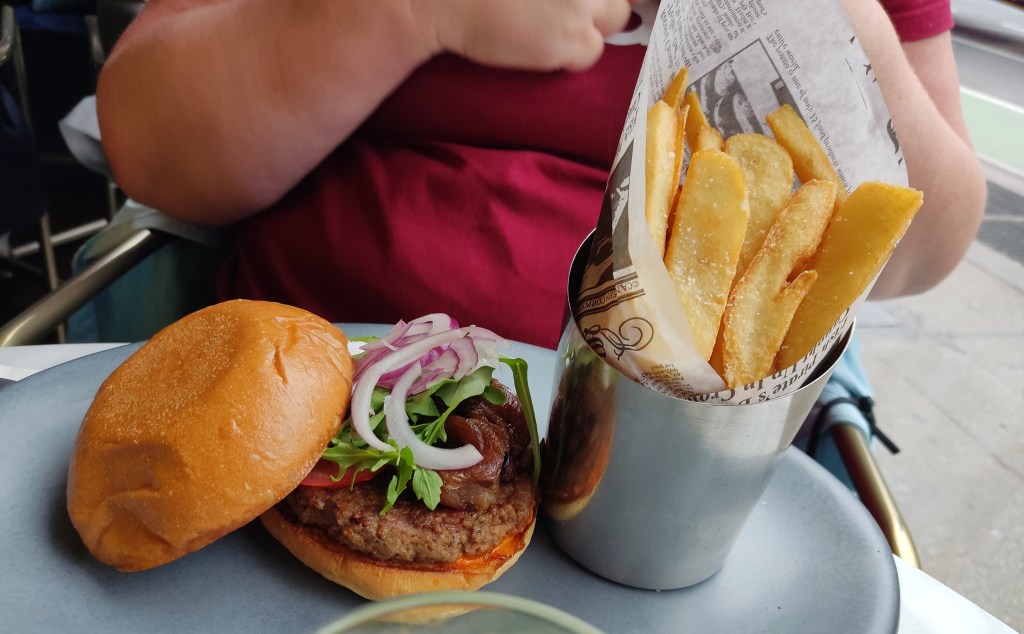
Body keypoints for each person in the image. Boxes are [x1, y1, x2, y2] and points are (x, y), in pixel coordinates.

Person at [94, 0, 986, 350]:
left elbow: (926, 247)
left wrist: (835, 29)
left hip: (653, 491)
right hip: (300, 391)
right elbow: (152, 146)